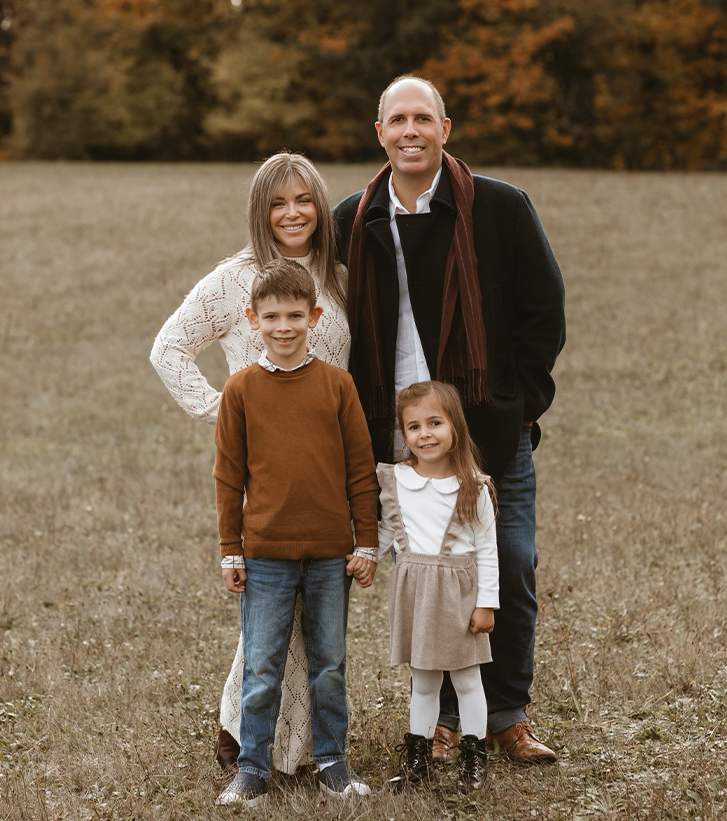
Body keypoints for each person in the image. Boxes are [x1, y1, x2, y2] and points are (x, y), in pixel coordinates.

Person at [333, 75, 566, 764]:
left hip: (490, 430)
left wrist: (514, 400)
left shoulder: (498, 207)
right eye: (396, 119)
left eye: (422, 118)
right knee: (428, 582)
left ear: (445, 127)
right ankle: (437, 719)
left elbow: (542, 310)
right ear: (379, 132)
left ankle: (505, 714)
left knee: (512, 565)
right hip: (401, 443)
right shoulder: (354, 217)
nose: (410, 131)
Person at [150, 151, 350, 773]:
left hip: (328, 465)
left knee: (318, 613)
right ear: (260, 212)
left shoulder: (337, 275)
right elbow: (169, 347)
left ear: (320, 204)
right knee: (269, 605)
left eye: (303, 199)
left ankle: (303, 744)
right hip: (264, 471)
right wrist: (225, 411)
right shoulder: (236, 279)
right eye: (277, 203)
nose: (293, 213)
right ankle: (241, 730)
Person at [212, 259, 379, 806]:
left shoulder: (337, 385)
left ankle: (332, 760)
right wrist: (229, 551)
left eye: (294, 315)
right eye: (271, 316)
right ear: (251, 318)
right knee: (263, 665)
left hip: (332, 553)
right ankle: (253, 769)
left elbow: (360, 469)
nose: (283, 326)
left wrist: (367, 540)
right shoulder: (240, 390)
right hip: (265, 555)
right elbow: (228, 477)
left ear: (315, 315)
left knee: (329, 664)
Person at [371, 380, 499, 794]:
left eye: (434, 423)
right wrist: (364, 556)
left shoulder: (473, 486)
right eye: (413, 427)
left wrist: (486, 604)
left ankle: (473, 758)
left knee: (466, 680)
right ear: (403, 434)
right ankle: (418, 759)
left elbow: (488, 549)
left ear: (454, 428)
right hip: (414, 591)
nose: (424, 434)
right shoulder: (396, 481)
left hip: (457, 595)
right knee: (423, 681)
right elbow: (388, 530)